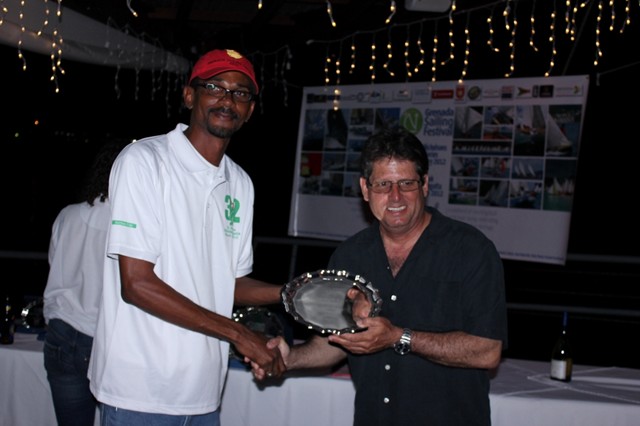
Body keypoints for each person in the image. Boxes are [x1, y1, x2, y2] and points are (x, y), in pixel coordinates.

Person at [256, 126, 508, 426]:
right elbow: (337, 341)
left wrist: (398, 337)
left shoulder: (471, 250)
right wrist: (288, 357)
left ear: (425, 185)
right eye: (383, 184)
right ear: (365, 189)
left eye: (406, 183)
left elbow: (487, 351)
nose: (395, 196)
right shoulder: (350, 256)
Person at [88, 48, 285, 425]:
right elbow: (136, 284)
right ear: (190, 95)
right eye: (215, 87)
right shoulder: (144, 161)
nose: (227, 99)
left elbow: (231, 283)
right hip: (139, 392)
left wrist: (292, 292)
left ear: (250, 110)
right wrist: (241, 335)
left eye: (240, 93)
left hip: (205, 393)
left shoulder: (240, 183)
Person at [43, 137, 131, 426]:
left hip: (60, 332)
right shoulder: (130, 226)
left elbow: (55, 265)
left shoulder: (67, 215)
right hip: (105, 339)